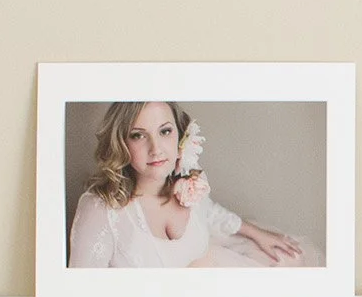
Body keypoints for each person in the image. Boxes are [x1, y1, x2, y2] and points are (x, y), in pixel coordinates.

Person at [67, 101, 314, 269]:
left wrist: (257, 234)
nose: (156, 148)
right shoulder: (101, 207)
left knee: (291, 261)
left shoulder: (189, 186)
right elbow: (82, 294)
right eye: (138, 135)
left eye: (165, 131)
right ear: (120, 143)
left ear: (181, 135)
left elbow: (212, 214)